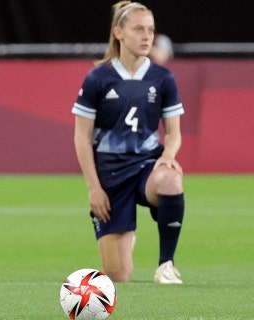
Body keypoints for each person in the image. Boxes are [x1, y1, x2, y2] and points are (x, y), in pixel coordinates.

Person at [72, 1, 185, 284]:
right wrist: (94, 188)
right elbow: (82, 138)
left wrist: (168, 155)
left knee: (171, 180)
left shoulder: (162, 78)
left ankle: (166, 264)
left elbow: (173, 133)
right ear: (119, 33)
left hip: (146, 167)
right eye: (139, 29)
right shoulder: (99, 78)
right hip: (110, 178)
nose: (147, 36)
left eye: (151, 30)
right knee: (117, 275)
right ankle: (125, 235)